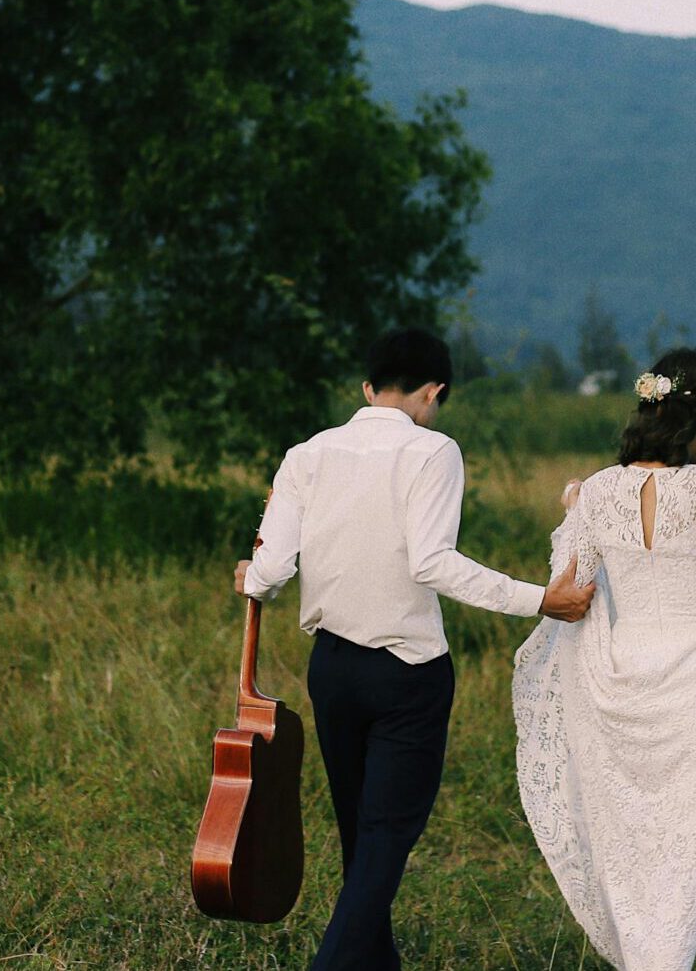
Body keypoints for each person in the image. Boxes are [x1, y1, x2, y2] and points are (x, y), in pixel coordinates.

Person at [236, 328, 598, 971]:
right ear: (434, 392)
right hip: (408, 677)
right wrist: (540, 598)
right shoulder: (434, 451)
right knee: (383, 840)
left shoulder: (307, 454)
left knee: (361, 838)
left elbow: (271, 571)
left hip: (333, 672)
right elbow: (433, 562)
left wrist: (250, 575)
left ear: (367, 388)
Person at [511, 348, 696, 970]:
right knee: (685, 860)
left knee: (628, 852)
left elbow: (571, 587)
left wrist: (578, 513)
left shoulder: (596, 490)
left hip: (616, 689)